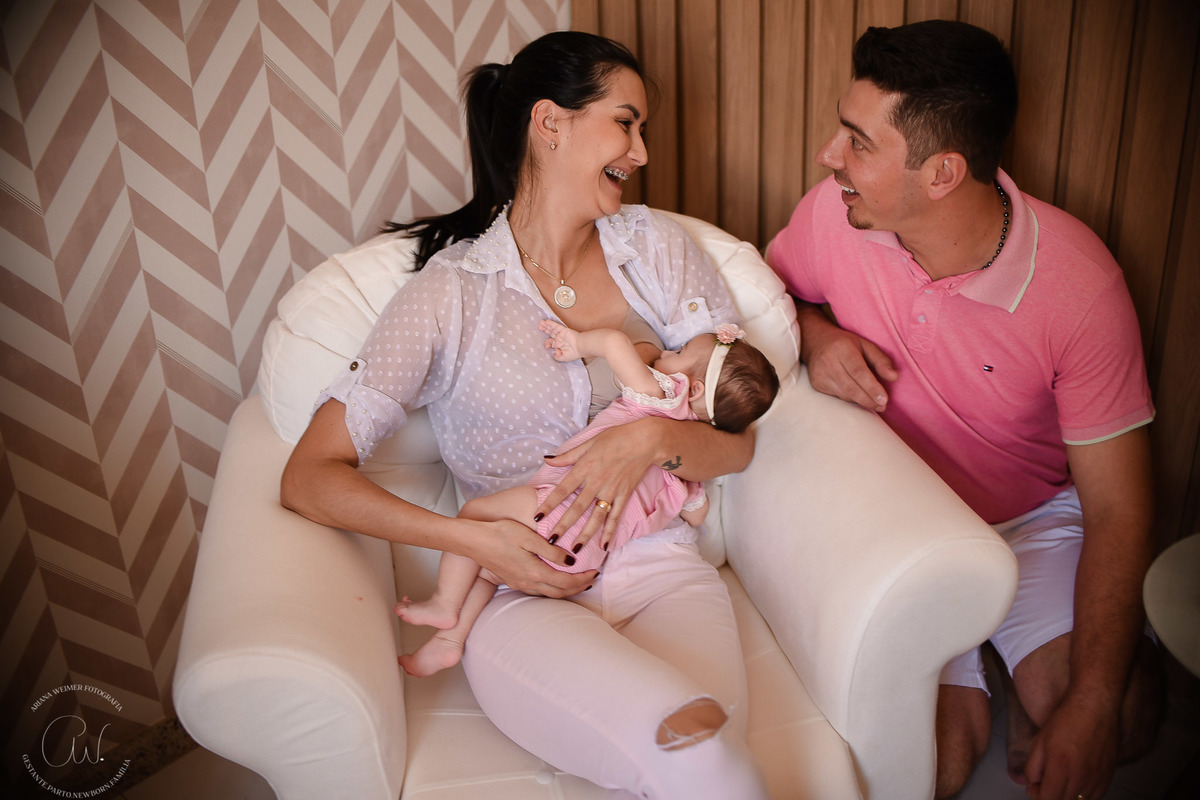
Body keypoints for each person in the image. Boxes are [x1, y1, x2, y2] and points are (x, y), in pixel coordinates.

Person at [280, 30, 769, 798]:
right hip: (521, 591)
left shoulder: (658, 250)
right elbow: (309, 477)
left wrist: (649, 439)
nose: (641, 152)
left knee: (711, 757)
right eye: (626, 123)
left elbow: (735, 446)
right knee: (699, 763)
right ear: (550, 122)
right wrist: (470, 539)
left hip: (664, 569)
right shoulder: (450, 295)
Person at [764, 19, 1163, 800]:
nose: (828, 156)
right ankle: (979, 658)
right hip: (902, 517)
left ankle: (1013, 652)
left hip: (1030, 519)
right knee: (932, 767)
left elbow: (1119, 508)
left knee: (1125, 718)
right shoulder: (833, 213)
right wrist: (813, 335)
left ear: (943, 172)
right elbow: (763, 294)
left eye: (857, 142)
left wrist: (1090, 701)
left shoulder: (1082, 286)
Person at [396, 319, 780, 677]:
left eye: (678, 353)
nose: (667, 352)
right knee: (486, 567)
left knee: (474, 519)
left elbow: (614, 342)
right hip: (584, 557)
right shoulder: (687, 473)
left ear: (690, 389)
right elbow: (697, 515)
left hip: (556, 514)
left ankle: (445, 603)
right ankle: (449, 642)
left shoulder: (657, 398)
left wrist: (576, 343)